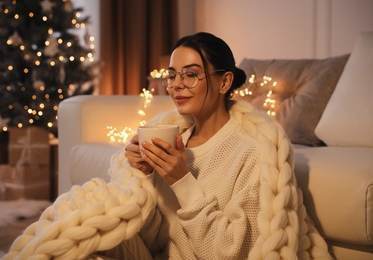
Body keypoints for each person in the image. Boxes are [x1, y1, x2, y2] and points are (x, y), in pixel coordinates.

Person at [97, 32, 332, 259]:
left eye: (190, 75)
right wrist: (144, 176)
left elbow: (230, 254)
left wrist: (182, 181)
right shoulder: (174, 143)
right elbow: (155, 241)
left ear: (225, 82)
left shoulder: (252, 152)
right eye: (172, 75)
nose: (176, 85)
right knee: (92, 232)